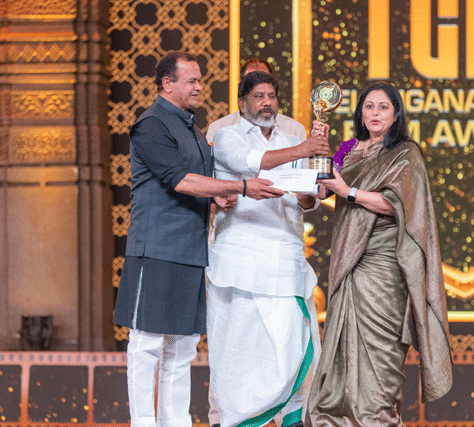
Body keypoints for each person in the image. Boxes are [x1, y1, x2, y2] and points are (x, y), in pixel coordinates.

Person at [112, 51, 283, 427]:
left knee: (183, 347)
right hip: (156, 249)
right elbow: (179, 180)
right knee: (147, 344)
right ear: (167, 84)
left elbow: (197, 181)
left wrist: (216, 197)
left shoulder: (190, 126)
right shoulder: (151, 124)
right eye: (192, 80)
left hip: (191, 250)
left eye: (200, 80)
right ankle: (143, 422)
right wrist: (240, 187)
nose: (199, 87)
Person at [306, 82, 453, 426]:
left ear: (396, 114)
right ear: (360, 113)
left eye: (383, 107)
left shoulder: (405, 154)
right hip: (349, 266)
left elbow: (397, 205)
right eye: (368, 107)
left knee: (380, 366)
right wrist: (316, 150)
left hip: (385, 271)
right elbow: (320, 191)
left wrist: (349, 191)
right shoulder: (347, 149)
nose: (374, 113)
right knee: (341, 366)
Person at [206, 70, 329, 427]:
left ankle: (291, 418)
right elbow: (250, 163)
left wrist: (308, 193)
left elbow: (308, 199)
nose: (266, 103)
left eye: (271, 96)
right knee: (238, 351)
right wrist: (305, 149)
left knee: (292, 344)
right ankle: (236, 420)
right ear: (242, 103)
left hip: (284, 260)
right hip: (239, 262)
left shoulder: (290, 138)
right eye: (258, 97)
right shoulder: (227, 136)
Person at [206, 58, 307, 143]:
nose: (260, 86)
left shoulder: (295, 130)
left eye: (265, 80)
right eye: (252, 82)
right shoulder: (218, 129)